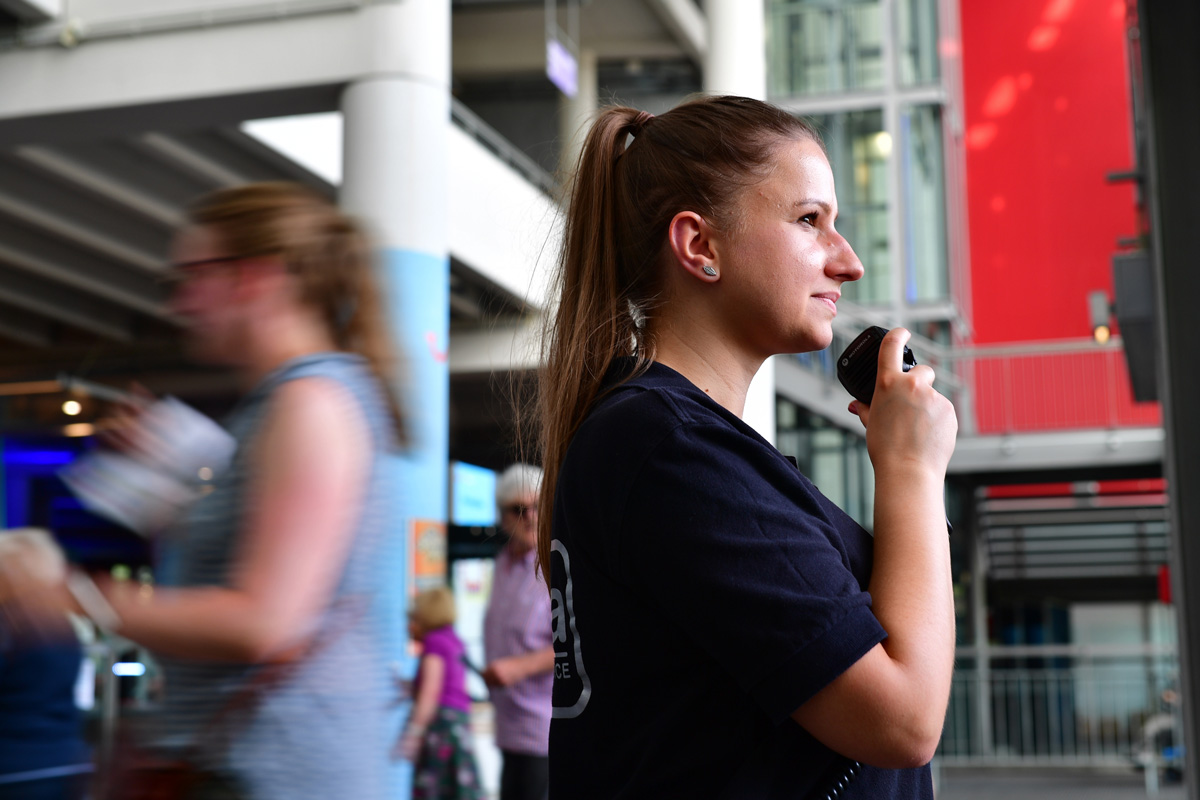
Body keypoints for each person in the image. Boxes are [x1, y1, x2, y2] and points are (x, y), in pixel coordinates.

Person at [538, 97, 958, 799]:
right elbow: (903, 722)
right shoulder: (670, 450)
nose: (848, 262)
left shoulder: (670, 443)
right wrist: (911, 471)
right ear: (699, 246)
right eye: (809, 220)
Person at [0, 183, 405, 800]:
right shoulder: (287, 404)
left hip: (278, 775)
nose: (179, 303)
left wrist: (72, 597)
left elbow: (262, 621)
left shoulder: (311, 403)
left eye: (190, 277)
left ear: (254, 277)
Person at [482, 464, 553, 800]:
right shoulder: (502, 565)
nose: (530, 517)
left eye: (538, 506)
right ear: (502, 516)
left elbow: (578, 643)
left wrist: (518, 666)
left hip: (542, 728)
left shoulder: (553, 566)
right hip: (507, 725)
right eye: (519, 509)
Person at [395, 586, 484, 800]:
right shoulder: (454, 641)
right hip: (459, 726)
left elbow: (430, 692)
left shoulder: (433, 643)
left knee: (435, 789)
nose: (410, 626)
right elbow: (448, 684)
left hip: (441, 728)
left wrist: (413, 733)